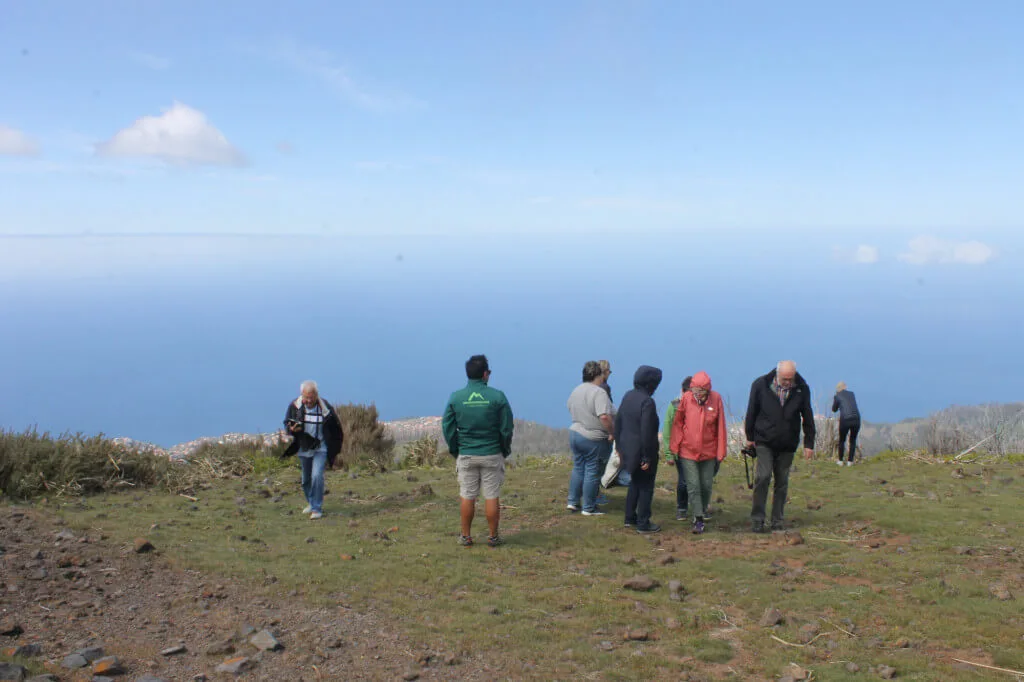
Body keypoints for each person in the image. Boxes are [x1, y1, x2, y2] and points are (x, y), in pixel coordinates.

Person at [442, 354, 515, 548]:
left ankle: (465, 536)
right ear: (485, 374)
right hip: (492, 452)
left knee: (468, 495)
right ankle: (493, 537)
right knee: (491, 495)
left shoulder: (456, 398)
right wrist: (503, 448)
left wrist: (455, 449)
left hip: (466, 453)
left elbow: (448, 427)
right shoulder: (497, 396)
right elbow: (507, 427)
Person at [744, 360, 816, 533]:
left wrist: (809, 443)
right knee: (763, 476)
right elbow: (751, 411)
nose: (788, 383)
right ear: (777, 375)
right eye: (785, 379)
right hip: (764, 440)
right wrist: (749, 437)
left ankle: (777, 520)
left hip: (788, 443)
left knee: (782, 482)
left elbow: (807, 415)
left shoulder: (802, 388)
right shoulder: (760, 385)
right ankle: (757, 520)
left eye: (790, 379)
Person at [669, 372, 727, 534]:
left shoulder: (716, 399)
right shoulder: (687, 398)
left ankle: (701, 509)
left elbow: (721, 425)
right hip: (687, 450)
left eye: (701, 391)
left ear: (707, 390)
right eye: (695, 391)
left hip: (709, 451)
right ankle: (698, 518)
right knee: (693, 485)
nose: (697, 395)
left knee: (706, 485)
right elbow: (678, 423)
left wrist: (721, 451)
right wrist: (675, 446)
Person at [282, 380, 344, 520]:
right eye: (306, 397)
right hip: (304, 448)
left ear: (316, 395)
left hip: (320, 448)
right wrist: (291, 429)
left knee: (317, 476)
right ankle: (311, 502)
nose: (309, 400)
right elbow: (287, 422)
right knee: (305, 480)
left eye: (311, 397)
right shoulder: (294, 406)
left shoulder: (325, 407)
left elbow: (335, 427)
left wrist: (335, 447)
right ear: (302, 395)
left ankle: (316, 508)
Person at [615, 365, 663, 534]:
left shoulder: (628, 396)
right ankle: (643, 522)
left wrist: (619, 447)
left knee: (635, 482)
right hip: (642, 451)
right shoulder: (647, 402)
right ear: (651, 384)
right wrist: (647, 457)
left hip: (627, 449)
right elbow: (647, 431)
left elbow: (618, 421)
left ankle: (629, 518)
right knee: (646, 486)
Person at [566, 361, 615, 516]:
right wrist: (612, 432)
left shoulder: (576, 390)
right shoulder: (599, 392)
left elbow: (569, 406)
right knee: (593, 471)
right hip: (593, 437)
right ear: (597, 375)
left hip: (575, 433)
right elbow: (604, 416)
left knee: (579, 468)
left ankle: (573, 502)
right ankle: (589, 507)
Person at [662, 376, 693, 521]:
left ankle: (696, 508)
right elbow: (668, 429)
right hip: (681, 450)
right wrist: (669, 454)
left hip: (695, 449)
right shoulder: (674, 405)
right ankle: (682, 508)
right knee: (684, 480)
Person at [832, 381, 861, 466]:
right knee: (852, 440)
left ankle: (840, 461)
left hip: (845, 419)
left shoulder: (837, 396)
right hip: (856, 419)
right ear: (845, 387)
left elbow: (834, 409)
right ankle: (850, 462)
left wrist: (836, 399)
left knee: (842, 440)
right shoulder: (852, 394)